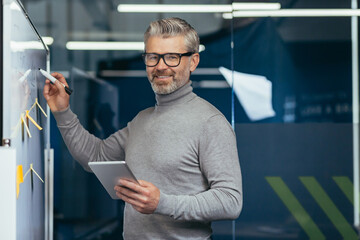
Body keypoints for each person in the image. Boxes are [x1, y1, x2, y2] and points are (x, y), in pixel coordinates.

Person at [44, 17, 242, 240]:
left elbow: (231, 201)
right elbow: (95, 157)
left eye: (172, 57)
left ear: (193, 61)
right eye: (153, 57)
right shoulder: (142, 120)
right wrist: (62, 111)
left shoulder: (211, 122)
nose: (160, 66)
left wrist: (162, 203)